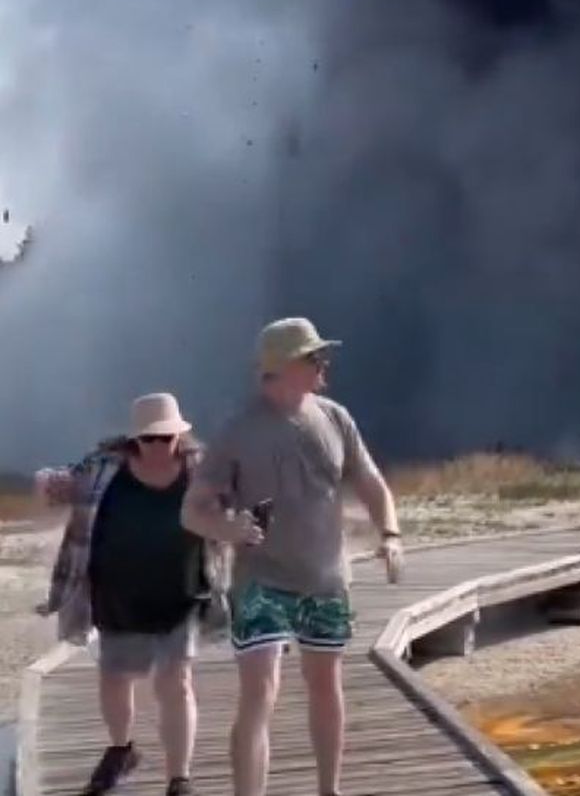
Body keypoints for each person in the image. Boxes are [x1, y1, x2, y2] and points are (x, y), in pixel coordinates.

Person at [182, 318, 402, 796]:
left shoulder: (336, 417)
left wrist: (390, 532)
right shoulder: (239, 429)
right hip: (261, 579)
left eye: (321, 355)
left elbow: (370, 481)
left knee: (326, 684)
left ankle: (330, 790)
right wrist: (225, 527)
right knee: (260, 693)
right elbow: (192, 510)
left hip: (325, 577)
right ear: (281, 367)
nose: (323, 363)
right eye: (312, 357)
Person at [35, 394, 219, 796]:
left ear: (179, 436)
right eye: (149, 439)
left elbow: (236, 498)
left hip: (182, 594)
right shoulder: (103, 468)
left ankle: (179, 778)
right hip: (117, 596)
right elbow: (59, 483)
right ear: (135, 439)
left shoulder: (201, 469)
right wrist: (49, 482)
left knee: (177, 682)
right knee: (116, 678)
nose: (159, 445)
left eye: (166, 437)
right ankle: (121, 749)